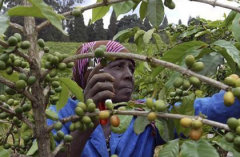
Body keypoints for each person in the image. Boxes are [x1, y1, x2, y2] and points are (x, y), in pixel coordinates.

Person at [47, 40, 240, 157]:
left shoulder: (143, 114)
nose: (129, 75)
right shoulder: (60, 113)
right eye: (117, 66)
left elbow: (206, 110)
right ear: (91, 74)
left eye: (131, 68)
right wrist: (86, 123)